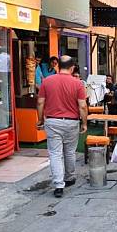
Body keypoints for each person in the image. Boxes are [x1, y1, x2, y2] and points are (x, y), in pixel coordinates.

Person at [37, 56, 88, 198]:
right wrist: (84, 123)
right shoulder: (78, 84)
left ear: (58, 66)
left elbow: (40, 103)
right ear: (72, 68)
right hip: (72, 122)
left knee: (55, 154)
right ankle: (70, 177)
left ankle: (59, 184)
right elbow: (82, 106)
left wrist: (40, 119)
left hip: (52, 122)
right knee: (70, 152)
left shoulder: (47, 81)